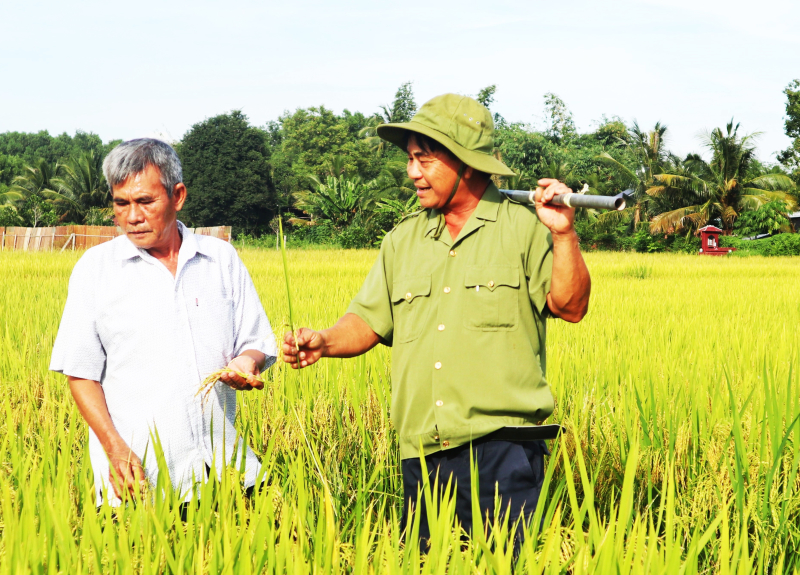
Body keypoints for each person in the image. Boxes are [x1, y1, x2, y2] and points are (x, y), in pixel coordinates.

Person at [282, 93, 591, 546]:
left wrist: (563, 233)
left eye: (424, 160)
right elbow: (368, 321)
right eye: (410, 159)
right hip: (423, 454)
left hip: (502, 450)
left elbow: (571, 306)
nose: (412, 173)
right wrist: (324, 341)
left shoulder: (523, 229)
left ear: (466, 163)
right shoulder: (402, 240)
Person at [50, 138, 276, 507]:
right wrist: (115, 449)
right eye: (121, 203)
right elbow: (81, 374)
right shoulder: (96, 270)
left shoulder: (219, 258)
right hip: (141, 479)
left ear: (178, 196)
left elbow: (255, 340)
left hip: (227, 471)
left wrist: (246, 363)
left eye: (145, 202)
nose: (132, 216)